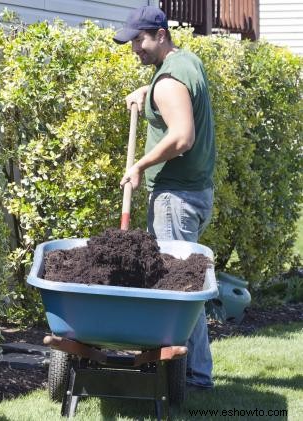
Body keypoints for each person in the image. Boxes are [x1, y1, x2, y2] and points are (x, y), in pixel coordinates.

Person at [113, 6, 216, 389]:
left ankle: (194, 376)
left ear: (160, 33)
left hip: (175, 196)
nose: (134, 48)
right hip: (195, 192)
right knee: (185, 284)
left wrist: (139, 166)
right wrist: (148, 90)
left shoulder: (167, 81)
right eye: (131, 42)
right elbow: (175, 92)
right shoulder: (185, 62)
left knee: (179, 290)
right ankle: (193, 372)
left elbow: (182, 136)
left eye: (139, 40)